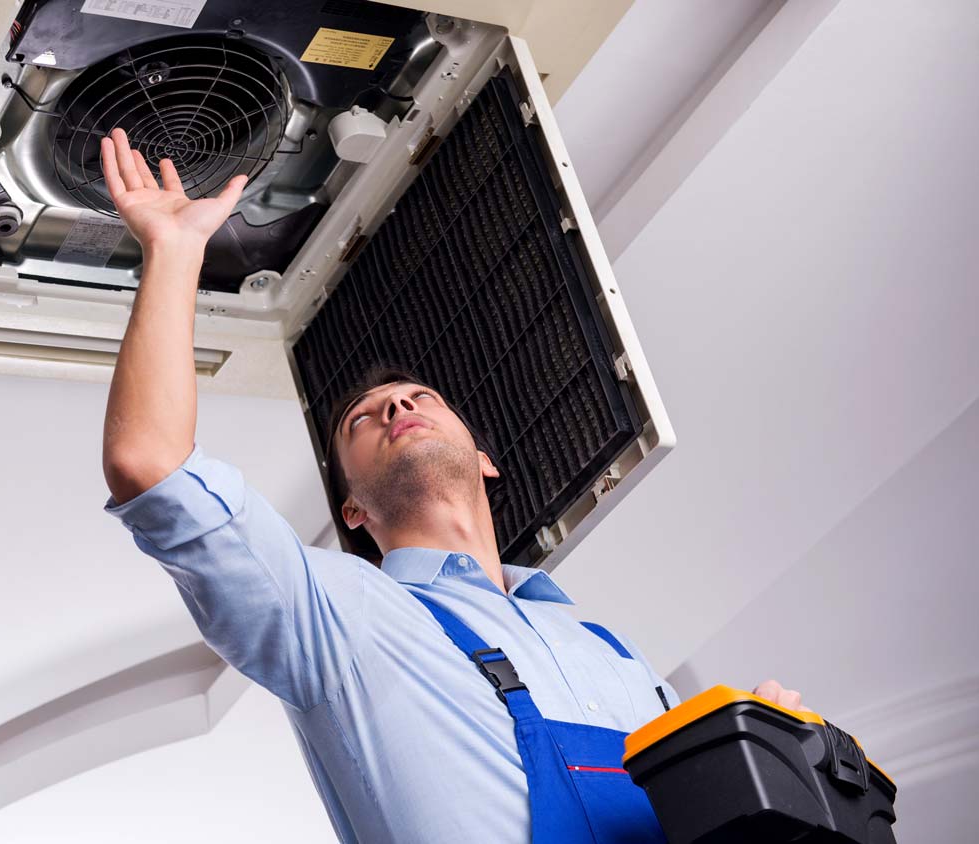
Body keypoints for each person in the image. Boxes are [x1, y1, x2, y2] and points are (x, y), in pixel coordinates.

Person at [96, 127, 810, 843]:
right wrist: (175, 248)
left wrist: (766, 753)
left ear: (486, 460)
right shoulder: (336, 615)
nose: (396, 408)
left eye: (419, 398)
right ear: (354, 508)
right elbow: (152, 465)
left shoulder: (616, 653)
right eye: (363, 422)